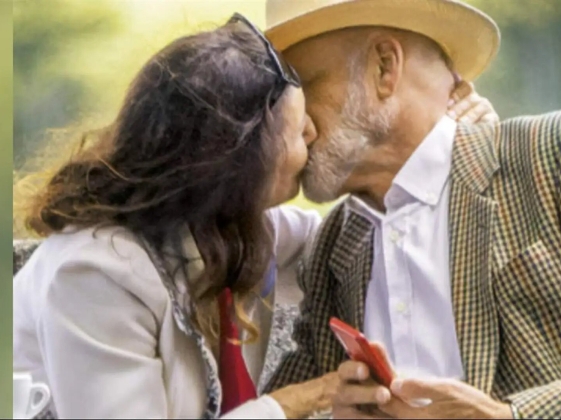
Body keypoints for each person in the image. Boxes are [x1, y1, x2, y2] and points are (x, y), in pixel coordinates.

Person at [12, 12, 498, 420]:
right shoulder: (96, 271)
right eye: (296, 125)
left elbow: (379, 228)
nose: (312, 133)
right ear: (233, 152)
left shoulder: (233, 230)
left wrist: (451, 147)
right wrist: (297, 401)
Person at [262, 1, 561, 419]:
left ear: (384, 67)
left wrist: (513, 417)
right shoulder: (332, 248)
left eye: (302, 89)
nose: (289, 121)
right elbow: (291, 405)